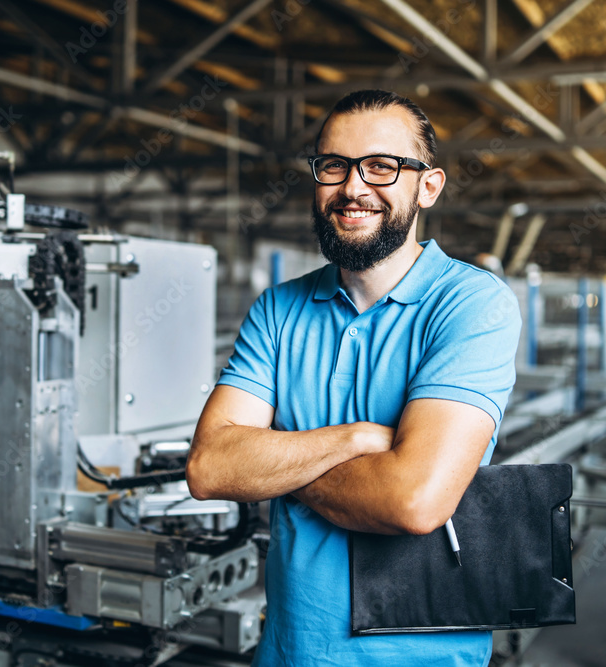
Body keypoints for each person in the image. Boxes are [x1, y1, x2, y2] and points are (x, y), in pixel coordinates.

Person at [186, 89, 522, 666]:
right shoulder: (278, 309)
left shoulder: (472, 304)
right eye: (334, 165)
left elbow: (413, 501)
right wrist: (357, 439)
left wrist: (273, 468)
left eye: (382, 166)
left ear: (428, 187)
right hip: (290, 653)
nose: (353, 187)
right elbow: (210, 468)